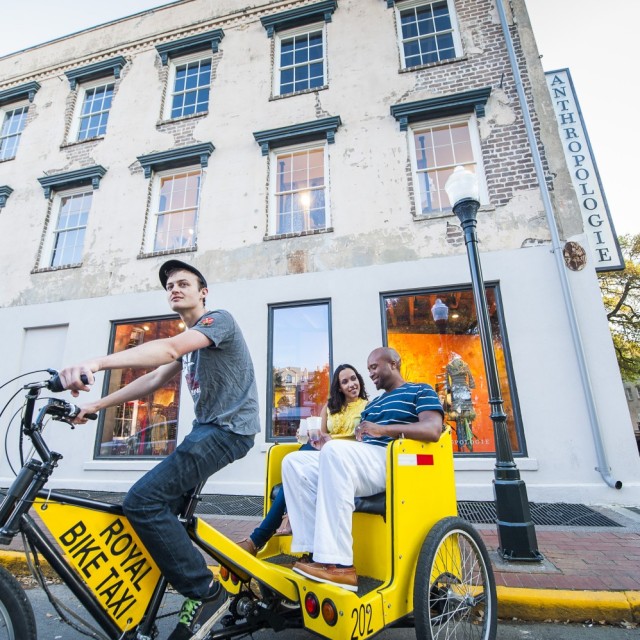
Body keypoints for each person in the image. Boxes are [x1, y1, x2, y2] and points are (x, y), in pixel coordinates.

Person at [57, 259, 260, 640]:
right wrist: (96, 407)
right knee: (164, 511)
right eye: (169, 286)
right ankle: (186, 593)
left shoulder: (219, 321)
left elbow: (167, 350)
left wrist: (96, 363)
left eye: (183, 283)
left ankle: (206, 592)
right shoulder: (191, 342)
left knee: (142, 502)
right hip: (208, 431)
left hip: (228, 431)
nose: (174, 289)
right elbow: (153, 377)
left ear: (203, 292)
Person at [281, 347, 444, 591]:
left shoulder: (420, 390)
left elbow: (432, 430)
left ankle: (339, 564)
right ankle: (314, 551)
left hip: (395, 461)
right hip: (366, 459)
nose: (370, 374)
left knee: (334, 453)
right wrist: (328, 443)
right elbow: (357, 447)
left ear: (394, 363)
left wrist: (384, 430)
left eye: (374, 367)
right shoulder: (374, 404)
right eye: (368, 369)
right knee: (294, 463)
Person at [237, 364, 368, 555]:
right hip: (323, 456)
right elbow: (320, 435)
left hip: (346, 458)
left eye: (354, 379)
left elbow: (363, 439)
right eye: (345, 381)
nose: (351, 384)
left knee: (296, 465)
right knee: (300, 454)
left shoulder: (367, 407)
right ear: (339, 387)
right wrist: (308, 433)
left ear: (359, 380)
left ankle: (257, 539)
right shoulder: (330, 407)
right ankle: (267, 532)